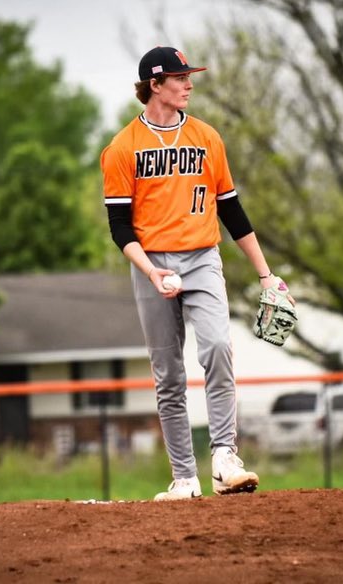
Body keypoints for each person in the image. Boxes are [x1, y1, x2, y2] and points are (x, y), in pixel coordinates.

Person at [100, 46, 292, 501]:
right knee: (168, 373)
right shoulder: (123, 148)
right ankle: (184, 477)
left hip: (204, 257)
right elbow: (119, 226)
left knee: (219, 347)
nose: (188, 84)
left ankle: (225, 458)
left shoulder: (207, 138)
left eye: (189, 77)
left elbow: (232, 210)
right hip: (153, 262)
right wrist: (150, 271)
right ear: (155, 84)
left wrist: (266, 275)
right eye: (179, 77)